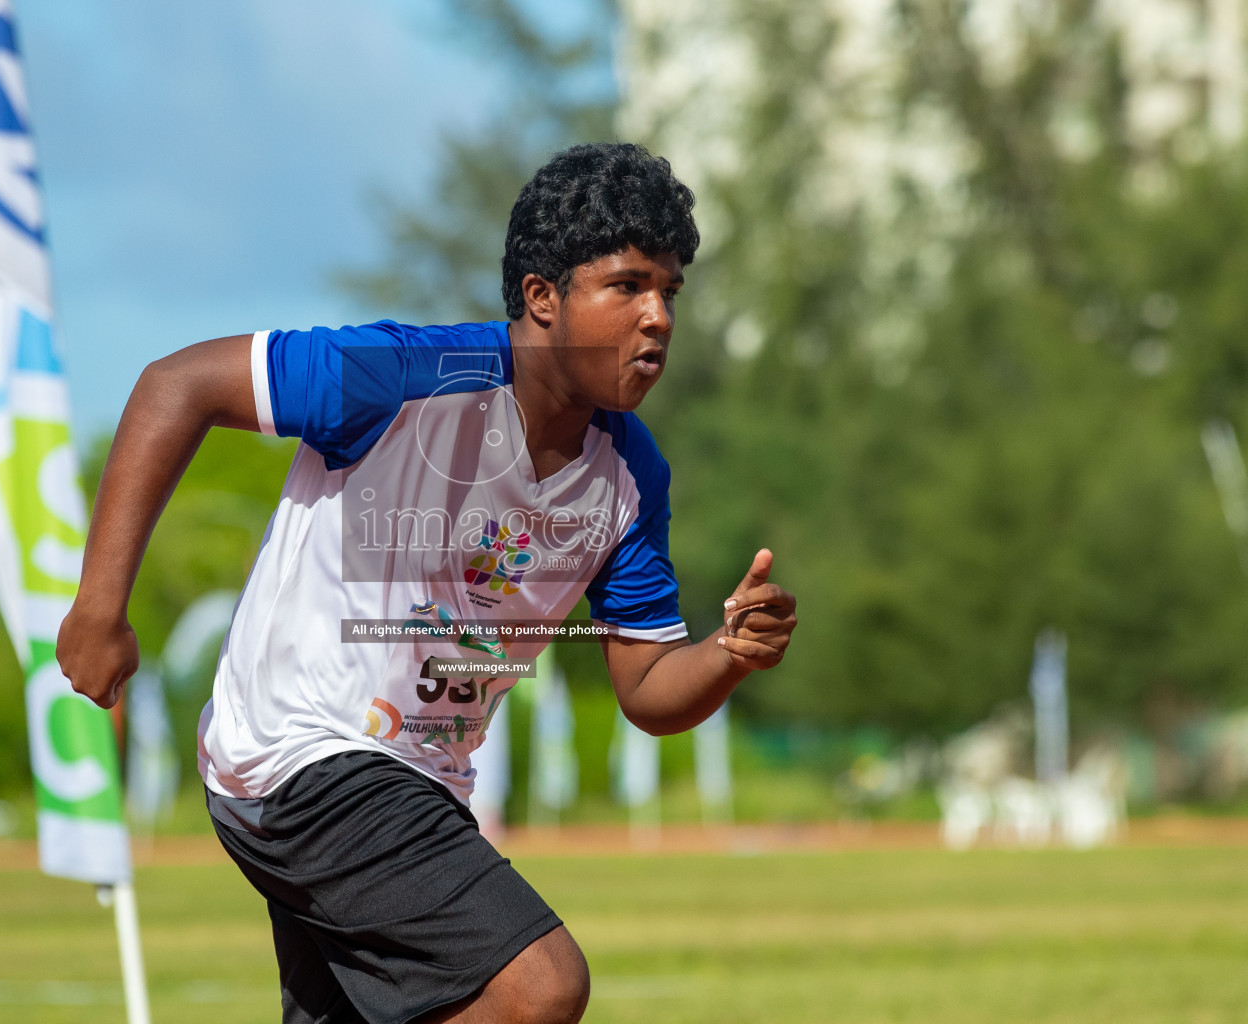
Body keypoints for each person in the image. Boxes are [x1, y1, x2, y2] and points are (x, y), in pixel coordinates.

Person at [59, 142, 799, 1024]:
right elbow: (174, 387)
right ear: (541, 298)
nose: (658, 318)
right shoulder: (401, 378)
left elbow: (646, 687)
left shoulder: (632, 476)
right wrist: (99, 610)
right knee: (540, 986)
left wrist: (729, 653)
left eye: (669, 292)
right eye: (628, 285)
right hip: (304, 751)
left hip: (419, 781)